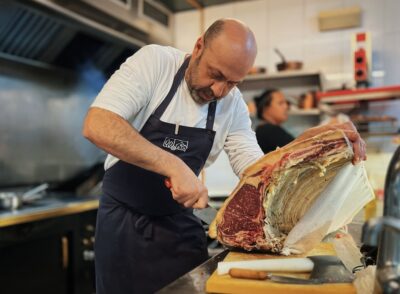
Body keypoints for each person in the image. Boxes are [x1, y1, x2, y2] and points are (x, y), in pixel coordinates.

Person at [82, 18, 366, 294]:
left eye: (232, 82)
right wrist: (172, 165)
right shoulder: (156, 63)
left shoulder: (232, 105)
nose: (218, 90)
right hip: (124, 226)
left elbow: (256, 170)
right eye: (216, 74)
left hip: (179, 226)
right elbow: (98, 124)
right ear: (198, 47)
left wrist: (312, 141)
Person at [254, 89, 294, 153]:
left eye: (286, 103)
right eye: (280, 103)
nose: (286, 106)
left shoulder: (265, 129)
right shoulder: (268, 130)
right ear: (265, 108)